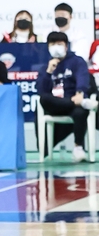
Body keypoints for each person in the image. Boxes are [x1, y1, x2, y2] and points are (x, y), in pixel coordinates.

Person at [36, 31, 92, 162]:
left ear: (66, 46)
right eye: (53, 44)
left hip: (73, 102)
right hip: (56, 104)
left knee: (80, 111)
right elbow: (41, 90)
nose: (56, 46)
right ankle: (82, 102)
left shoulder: (77, 61)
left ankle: (78, 148)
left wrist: (80, 92)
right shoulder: (45, 67)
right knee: (44, 99)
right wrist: (49, 72)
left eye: (59, 44)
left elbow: (82, 78)